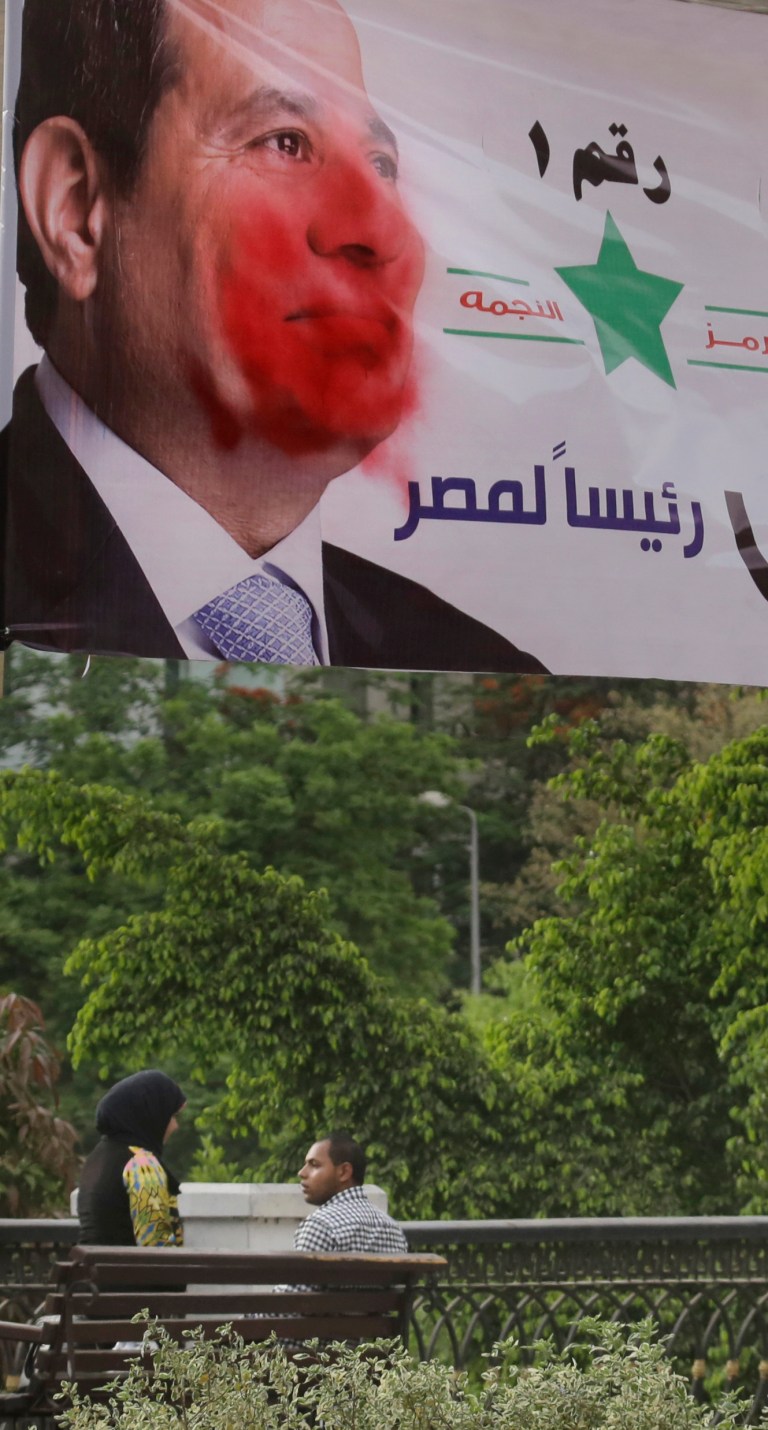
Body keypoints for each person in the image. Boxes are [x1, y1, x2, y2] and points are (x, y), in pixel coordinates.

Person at [0, 0, 545, 675]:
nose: (385, 233)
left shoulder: (476, 660)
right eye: (285, 142)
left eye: (381, 164)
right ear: (77, 209)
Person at [77, 1069, 185, 1246]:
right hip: (123, 1265)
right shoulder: (141, 1164)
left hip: (92, 1263)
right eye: (172, 1116)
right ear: (150, 1115)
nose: (175, 1126)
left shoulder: (97, 1157)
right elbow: (155, 1246)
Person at [295, 1131, 408, 1254]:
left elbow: (302, 1268)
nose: (302, 1173)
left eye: (314, 1165)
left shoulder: (320, 1226)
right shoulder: (393, 1229)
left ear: (344, 1172)